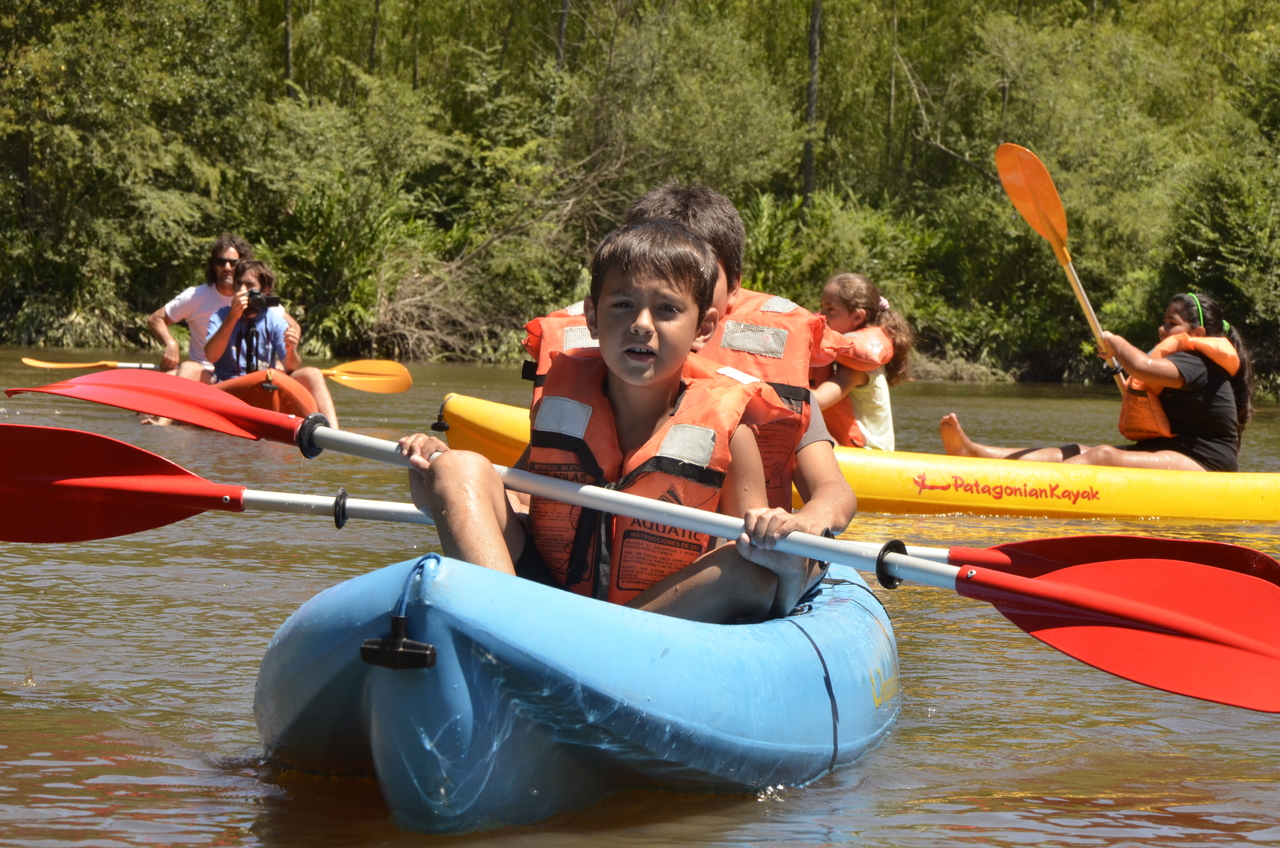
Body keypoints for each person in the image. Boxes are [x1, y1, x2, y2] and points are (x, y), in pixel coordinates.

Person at [400, 219, 817, 623]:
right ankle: (501, 629)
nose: (641, 325)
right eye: (622, 305)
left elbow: (755, 556)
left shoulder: (732, 433)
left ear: (703, 328)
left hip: (657, 619)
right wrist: (433, 483)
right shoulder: (561, 408)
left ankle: (566, 642)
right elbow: (508, 505)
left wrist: (776, 534)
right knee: (458, 466)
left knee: (744, 570)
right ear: (593, 318)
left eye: (667, 309)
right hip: (542, 594)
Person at [523, 180, 857, 544]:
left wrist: (810, 518)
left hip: (727, 558)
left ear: (733, 288)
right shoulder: (596, 373)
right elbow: (529, 484)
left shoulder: (766, 384)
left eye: (694, 274)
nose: (646, 319)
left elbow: (833, 489)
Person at [940, 292, 1253, 472]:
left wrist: (1115, 342)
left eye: (1172, 324)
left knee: (1103, 455)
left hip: (1206, 464)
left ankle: (1026, 489)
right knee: (1073, 449)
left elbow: (1142, 367)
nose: (1162, 330)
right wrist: (1118, 366)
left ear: (1198, 334)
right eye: (1163, 322)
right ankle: (977, 454)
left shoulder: (1198, 362)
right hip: (1166, 451)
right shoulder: (1179, 362)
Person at [205, 260, 341, 428]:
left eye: (249, 285)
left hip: (263, 388)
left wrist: (290, 350)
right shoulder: (220, 316)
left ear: (264, 290)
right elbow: (211, 356)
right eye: (239, 284)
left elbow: (291, 367)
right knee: (190, 367)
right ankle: (174, 422)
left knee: (312, 373)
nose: (242, 290)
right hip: (228, 387)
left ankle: (333, 432)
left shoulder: (275, 320)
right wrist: (232, 317)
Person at [811, 273, 915, 451]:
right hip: (850, 448)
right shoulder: (846, 360)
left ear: (857, 317)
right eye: (822, 308)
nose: (822, 316)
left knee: (800, 429)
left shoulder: (856, 370)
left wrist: (769, 391)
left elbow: (818, 400)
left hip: (868, 455)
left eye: (831, 309)